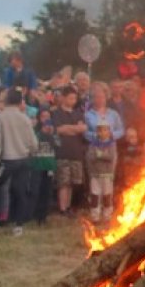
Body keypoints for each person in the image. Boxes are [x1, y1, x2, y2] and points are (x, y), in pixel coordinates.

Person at [0, 88, 36, 235]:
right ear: (20, 102)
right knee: (20, 192)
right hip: (24, 159)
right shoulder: (25, 118)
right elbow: (33, 142)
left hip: (8, 160)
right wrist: (31, 153)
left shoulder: (0, 118)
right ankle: (19, 226)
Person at [51, 87, 88, 216]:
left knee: (73, 182)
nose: (73, 101)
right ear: (63, 98)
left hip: (76, 152)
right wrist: (74, 128)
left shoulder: (78, 113)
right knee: (63, 182)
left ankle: (68, 207)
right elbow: (59, 130)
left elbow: (83, 128)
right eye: (70, 98)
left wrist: (69, 129)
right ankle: (62, 207)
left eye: (75, 98)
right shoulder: (56, 113)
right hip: (63, 152)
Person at [87, 122, 118, 223]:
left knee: (107, 195)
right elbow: (90, 157)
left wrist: (100, 155)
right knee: (95, 196)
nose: (103, 132)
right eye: (100, 130)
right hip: (95, 174)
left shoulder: (112, 144)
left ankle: (106, 216)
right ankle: (95, 216)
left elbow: (111, 157)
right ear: (97, 132)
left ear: (109, 132)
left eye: (105, 130)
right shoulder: (93, 144)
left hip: (107, 174)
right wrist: (101, 156)